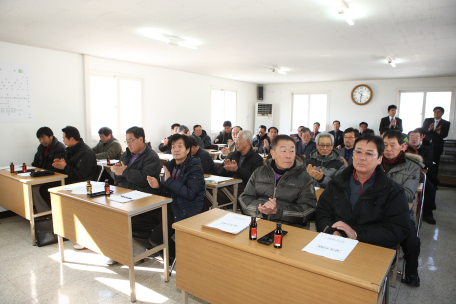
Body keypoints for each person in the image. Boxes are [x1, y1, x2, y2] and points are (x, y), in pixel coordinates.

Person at [315, 134, 417, 286]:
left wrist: (357, 234)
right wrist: (332, 231)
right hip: (338, 243)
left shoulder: (393, 191)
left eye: (369, 153)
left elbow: (397, 229)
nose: (362, 157)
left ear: (379, 159)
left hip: (373, 247)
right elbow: (323, 212)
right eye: (358, 152)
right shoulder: (337, 183)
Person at [104, 126, 162, 264]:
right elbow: (116, 174)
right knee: (108, 214)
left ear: (141, 139)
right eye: (126, 141)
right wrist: (117, 172)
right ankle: (118, 252)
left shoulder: (151, 156)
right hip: (125, 193)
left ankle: (136, 252)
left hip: (143, 197)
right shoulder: (127, 154)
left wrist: (123, 172)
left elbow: (143, 178)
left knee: (128, 220)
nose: (128, 144)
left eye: (131, 140)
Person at [146, 134, 206, 261]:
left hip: (185, 210)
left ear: (188, 150)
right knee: (137, 222)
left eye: (180, 146)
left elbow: (190, 194)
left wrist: (168, 182)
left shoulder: (195, 168)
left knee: (156, 238)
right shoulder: (170, 166)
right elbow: (167, 193)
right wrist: (158, 186)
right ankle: (164, 252)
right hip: (170, 206)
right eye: (173, 147)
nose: (176, 149)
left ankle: (178, 258)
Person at [239, 135, 316, 227]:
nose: (288, 156)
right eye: (284, 151)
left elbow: (307, 210)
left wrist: (278, 211)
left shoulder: (304, 177)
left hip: (289, 228)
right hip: (259, 223)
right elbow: (244, 199)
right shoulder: (259, 172)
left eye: (292, 151)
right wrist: (262, 208)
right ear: (273, 153)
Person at [381, 130, 421, 286]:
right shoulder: (375, 161)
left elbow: (408, 195)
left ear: (403, 146)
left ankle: (411, 272)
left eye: (393, 145)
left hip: (400, 213)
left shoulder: (412, 167)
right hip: (374, 210)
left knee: (412, 242)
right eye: (384, 145)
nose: (388, 149)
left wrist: (382, 188)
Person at [207, 130, 263, 211]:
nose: (235, 142)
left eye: (238, 139)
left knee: (207, 194)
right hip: (226, 187)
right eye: (235, 139)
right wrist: (226, 169)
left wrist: (237, 169)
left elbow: (255, 179)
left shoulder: (257, 159)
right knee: (205, 192)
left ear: (247, 142)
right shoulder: (232, 155)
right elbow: (218, 175)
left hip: (243, 191)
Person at [31, 127, 66, 213]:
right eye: (39, 139)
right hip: (43, 175)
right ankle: (43, 212)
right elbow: (35, 163)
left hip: (55, 176)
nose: (42, 141)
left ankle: (46, 212)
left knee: (38, 187)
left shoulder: (60, 148)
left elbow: (56, 167)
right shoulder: (41, 148)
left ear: (51, 136)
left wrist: (41, 173)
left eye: (44, 138)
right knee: (33, 187)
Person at [408, 129, 437, 225]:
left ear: (421, 138)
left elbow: (429, 162)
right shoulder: (403, 148)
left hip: (420, 174)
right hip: (406, 174)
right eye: (412, 136)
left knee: (430, 187)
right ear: (408, 138)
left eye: (417, 137)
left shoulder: (426, 149)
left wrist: (416, 161)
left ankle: (427, 213)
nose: (414, 139)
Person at [422, 106, 451, 175]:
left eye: (438, 112)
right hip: (426, 145)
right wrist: (429, 129)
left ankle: (434, 181)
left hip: (437, 147)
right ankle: (423, 179)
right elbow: (423, 131)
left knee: (435, 164)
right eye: (435, 111)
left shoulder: (446, 123)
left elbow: (444, 135)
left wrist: (438, 131)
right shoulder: (428, 120)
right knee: (424, 162)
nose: (436, 113)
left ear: (442, 113)